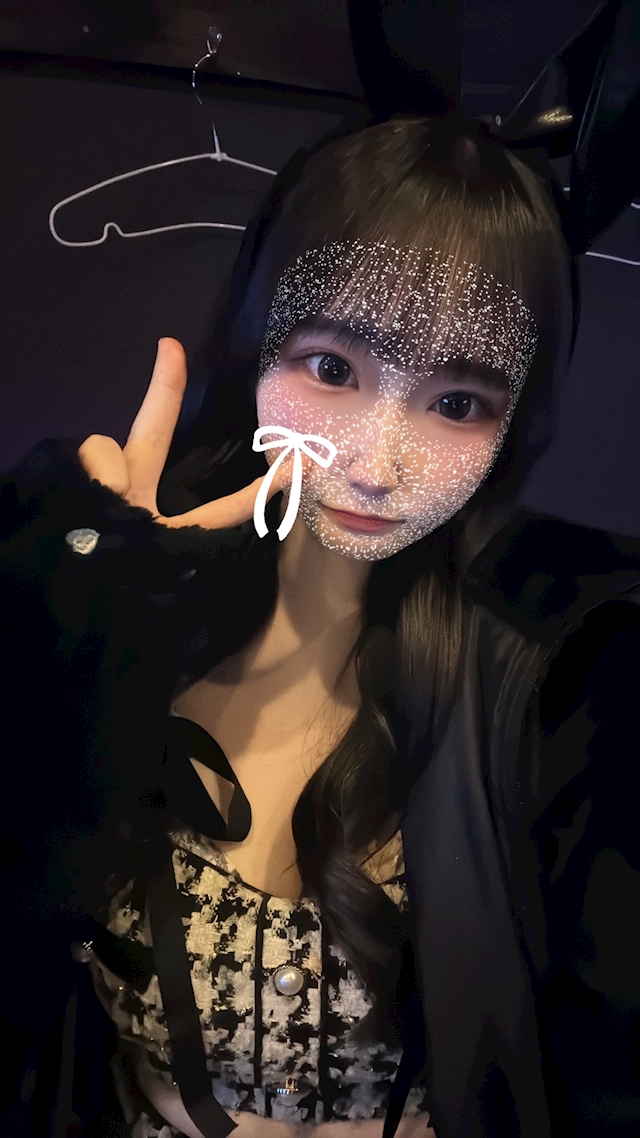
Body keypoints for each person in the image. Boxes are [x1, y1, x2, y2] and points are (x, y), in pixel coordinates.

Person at [0, 112, 638, 1138]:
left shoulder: (561, 693)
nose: (378, 466)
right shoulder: (124, 610)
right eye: (334, 369)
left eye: (458, 403)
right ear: (260, 341)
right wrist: (78, 619)